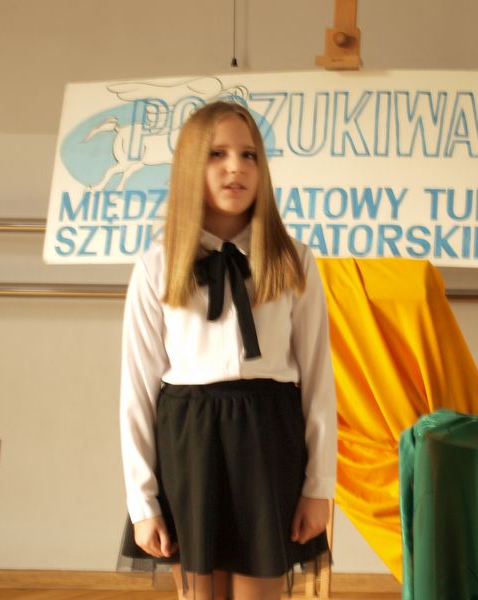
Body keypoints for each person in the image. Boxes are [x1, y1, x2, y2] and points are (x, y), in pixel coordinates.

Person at [119, 101, 337, 600]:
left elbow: (319, 381)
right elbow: (136, 392)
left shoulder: (293, 259)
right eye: (217, 154)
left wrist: (319, 486)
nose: (235, 166)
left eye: (248, 154)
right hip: (189, 446)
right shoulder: (157, 265)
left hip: (268, 443)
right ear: (190, 166)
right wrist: (142, 500)